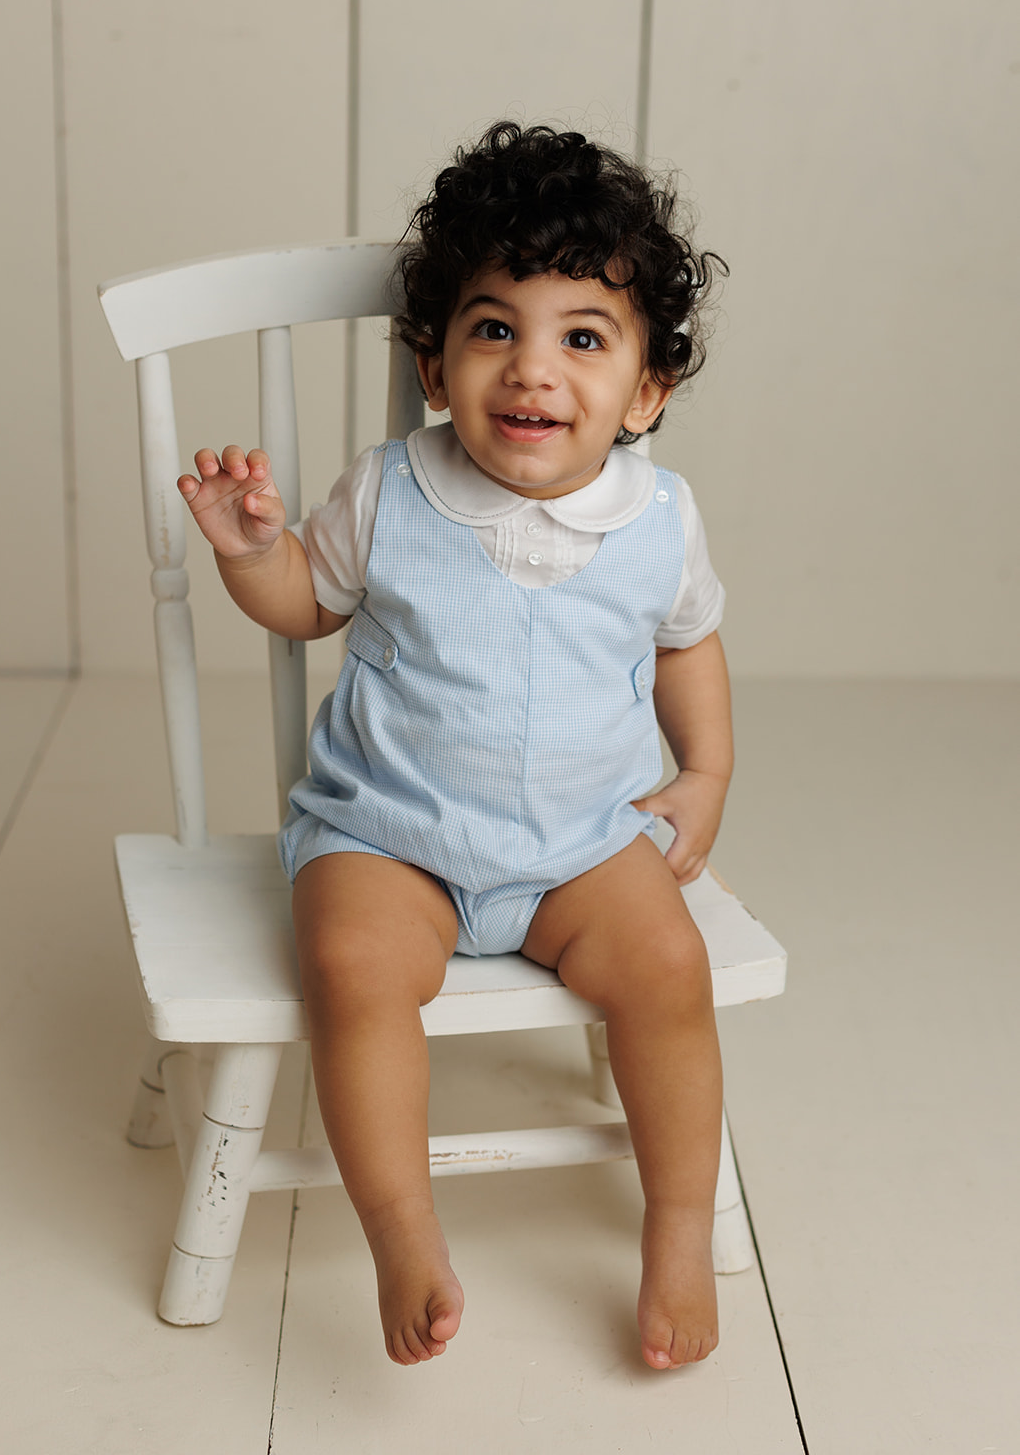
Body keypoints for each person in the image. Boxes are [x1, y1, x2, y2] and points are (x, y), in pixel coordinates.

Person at [177, 122, 732, 1371]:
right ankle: (402, 1228)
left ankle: (678, 1225)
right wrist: (248, 551)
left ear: (646, 390)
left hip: (581, 848)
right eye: (494, 329)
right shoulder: (388, 489)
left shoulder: (660, 522)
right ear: (435, 367)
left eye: (581, 338)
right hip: (389, 834)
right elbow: (304, 606)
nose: (531, 370)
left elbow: (689, 646)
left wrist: (702, 773)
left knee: (668, 972)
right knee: (352, 970)